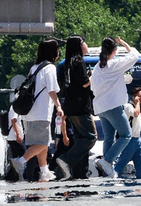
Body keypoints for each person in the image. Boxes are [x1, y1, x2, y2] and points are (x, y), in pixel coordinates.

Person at [11, 39, 63, 182]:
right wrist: (58, 106)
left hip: (29, 112)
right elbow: (52, 90)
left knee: (39, 144)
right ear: (53, 51)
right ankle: (21, 161)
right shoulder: (50, 68)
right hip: (41, 112)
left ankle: (44, 171)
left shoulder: (35, 67)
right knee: (44, 142)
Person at [91, 36, 141, 178]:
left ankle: (106, 168)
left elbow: (94, 87)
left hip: (100, 108)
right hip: (113, 106)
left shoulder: (97, 67)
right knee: (126, 135)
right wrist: (124, 43)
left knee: (109, 137)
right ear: (114, 50)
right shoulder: (114, 65)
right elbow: (135, 55)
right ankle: (107, 161)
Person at [55, 35, 97, 180]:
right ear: (79, 46)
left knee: (81, 139)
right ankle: (65, 160)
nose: (86, 45)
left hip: (70, 106)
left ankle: (80, 172)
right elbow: (85, 83)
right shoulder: (79, 62)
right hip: (81, 106)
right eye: (84, 42)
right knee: (91, 137)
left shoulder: (67, 63)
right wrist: (93, 76)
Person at [114, 87, 141, 179]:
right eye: (139, 96)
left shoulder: (137, 107)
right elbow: (135, 113)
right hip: (130, 139)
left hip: (137, 138)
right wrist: (137, 103)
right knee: (123, 161)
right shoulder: (128, 106)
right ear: (134, 97)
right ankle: (113, 177)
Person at [5, 105, 25, 181]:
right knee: (23, 155)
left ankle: (15, 175)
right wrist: (18, 134)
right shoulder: (14, 108)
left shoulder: (14, 108)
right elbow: (13, 121)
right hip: (14, 137)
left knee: (16, 156)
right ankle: (19, 174)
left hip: (13, 137)